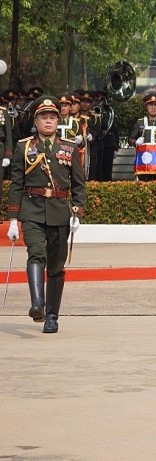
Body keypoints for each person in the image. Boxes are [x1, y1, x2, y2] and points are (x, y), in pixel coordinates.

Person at [6, 95, 87, 334]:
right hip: (31, 209)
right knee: (35, 254)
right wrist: (13, 218)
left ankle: (52, 315)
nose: (48, 121)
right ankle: (37, 304)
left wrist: (78, 213)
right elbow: (16, 184)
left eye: (52, 117)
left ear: (58, 120)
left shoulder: (69, 148)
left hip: (60, 211)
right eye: (44, 117)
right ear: (36, 120)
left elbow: (79, 184)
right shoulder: (25, 147)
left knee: (56, 265)